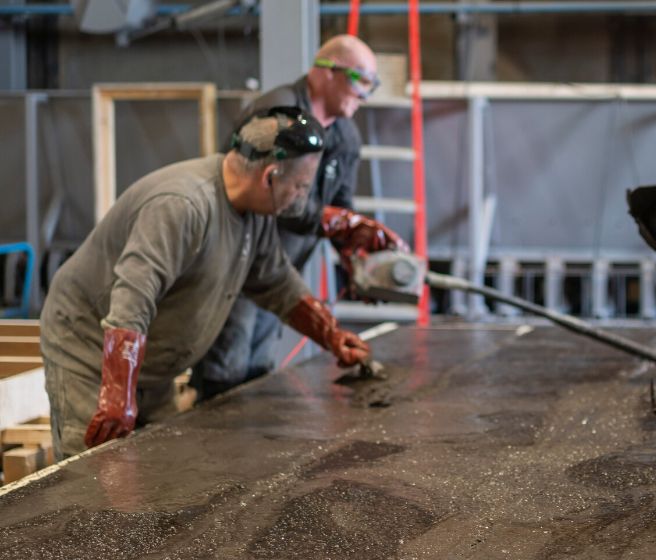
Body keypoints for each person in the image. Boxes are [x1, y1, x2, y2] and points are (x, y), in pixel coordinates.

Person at [40, 107, 372, 459]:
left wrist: (332, 336)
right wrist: (117, 394)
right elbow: (131, 302)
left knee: (161, 470)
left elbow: (277, 282)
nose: (302, 199)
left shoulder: (254, 213)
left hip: (149, 367)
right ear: (270, 177)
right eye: (302, 186)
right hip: (91, 356)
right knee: (96, 479)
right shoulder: (182, 206)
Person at [192, 34, 405, 401]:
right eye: (360, 80)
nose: (364, 94)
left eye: (372, 84)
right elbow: (268, 195)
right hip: (241, 263)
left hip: (283, 267)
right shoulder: (277, 115)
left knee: (258, 366)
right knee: (226, 367)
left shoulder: (346, 136)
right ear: (324, 73)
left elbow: (341, 203)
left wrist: (354, 256)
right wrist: (339, 223)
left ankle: (246, 449)